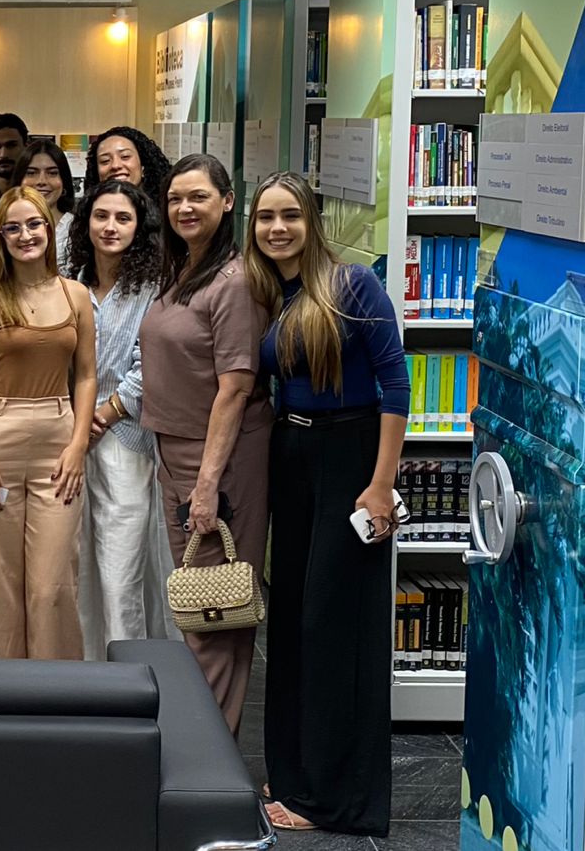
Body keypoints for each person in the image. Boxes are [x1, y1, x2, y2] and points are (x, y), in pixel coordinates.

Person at [245, 171, 408, 836]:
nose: (277, 227)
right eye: (265, 217)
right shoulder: (271, 293)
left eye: (289, 215)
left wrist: (380, 482)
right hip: (295, 457)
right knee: (289, 620)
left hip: (350, 459)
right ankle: (294, 771)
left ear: (312, 221)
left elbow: (394, 383)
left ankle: (333, 799)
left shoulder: (352, 286)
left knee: (332, 627)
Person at [139, 153, 272, 733]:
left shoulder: (235, 282)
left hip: (216, 460)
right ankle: (205, 746)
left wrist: (207, 485)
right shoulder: (184, 270)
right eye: (174, 199)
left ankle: (208, 760)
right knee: (198, 609)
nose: (184, 208)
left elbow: (235, 389)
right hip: (176, 457)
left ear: (228, 201)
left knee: (215, 617)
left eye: (197, 197)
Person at [0, 186, 97, 660]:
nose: (25, 235)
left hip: (58, 443)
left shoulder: (75, 294)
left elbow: (86, 375)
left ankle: (59, 699)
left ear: (50, 229)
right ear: (0, 237)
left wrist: (78, 444)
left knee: (51, 586)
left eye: (34, 224)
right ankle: (7, 699)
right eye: (12, 227)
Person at [63, 180, 178, 660]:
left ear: (140, 228)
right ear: (85, 221)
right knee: (75, 567)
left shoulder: (155, 288)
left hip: (124, 437)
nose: (110, 227)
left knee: (119, 570)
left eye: (123, 218)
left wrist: (103, 414)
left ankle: (126, 682)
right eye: (101, 216)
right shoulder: (65, 281)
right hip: (65, 435)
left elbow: (152, 363)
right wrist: (75, 419)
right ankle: (82, 677)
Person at [8, 139, 77, 264]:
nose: (42, 181)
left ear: (64, 181)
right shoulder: (0, 223)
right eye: (31, 173)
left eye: (52, 173)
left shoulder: (78, 228)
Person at [85, 125, 173, 200]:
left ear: (143, 166)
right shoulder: (88, 215)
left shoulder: (166, 213)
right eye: (105, 161)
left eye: (125, 156)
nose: (115, 165)